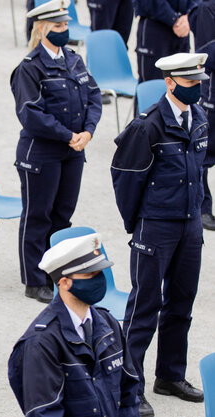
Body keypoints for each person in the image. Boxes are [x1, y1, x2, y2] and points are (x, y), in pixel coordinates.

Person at [110, 52, 209, 416]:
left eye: (199, 83)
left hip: (189, 225)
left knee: (181, 304)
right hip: (156, 226)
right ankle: (129, 385)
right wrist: (137, 223)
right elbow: (125, 179)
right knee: (144, 307)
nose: (196, 89)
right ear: (170, 83)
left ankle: (169, 374)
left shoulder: (198, 117)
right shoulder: (147, 126)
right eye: (189, 84)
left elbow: (199, 172)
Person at [11, 0, 102, 304]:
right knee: (38, 216)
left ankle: (56, 272)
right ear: (42, 28)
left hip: (73, 150)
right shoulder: (29, 68)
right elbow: (30, 114)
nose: (65, 30)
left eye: (66, 25)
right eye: (59, 25)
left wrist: (87, 132)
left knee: (63, 215)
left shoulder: (74, 60)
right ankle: (34, 280)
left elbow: (93, 96)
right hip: (42, 153)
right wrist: (69, 135)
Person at [7, 233, 141, 416]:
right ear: (64, 282)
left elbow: (129, 394)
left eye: (99, 272)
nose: (99, 280)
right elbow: (45, 412)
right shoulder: (41, 343)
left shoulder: (109, 324)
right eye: (90, 274)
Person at [190, 0, 215, 230]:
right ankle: (203, 207)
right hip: (212, 98)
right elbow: (206, 54)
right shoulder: (207, 8)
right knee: (203, 157)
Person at [134, 0, 196, 82]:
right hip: (155, 26)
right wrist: (174, 20)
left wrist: (189, 15)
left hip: (182, 28)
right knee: (153, 85)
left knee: (181, 86)